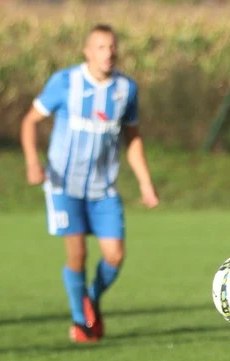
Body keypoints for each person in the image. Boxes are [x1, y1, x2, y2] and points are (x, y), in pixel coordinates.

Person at [20, 24, 159, 343]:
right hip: (63, 186)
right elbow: (29, 121)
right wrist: (31, 162)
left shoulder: (126, 89)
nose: (108, 53)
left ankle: (90, 298)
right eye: (100, 47)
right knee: (78, 255)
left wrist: (145, 184)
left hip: (103, 190)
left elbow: (133, 139)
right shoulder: (65, 82)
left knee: (115, 256)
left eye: (112, 47)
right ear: (87, 51)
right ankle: (81, 322)